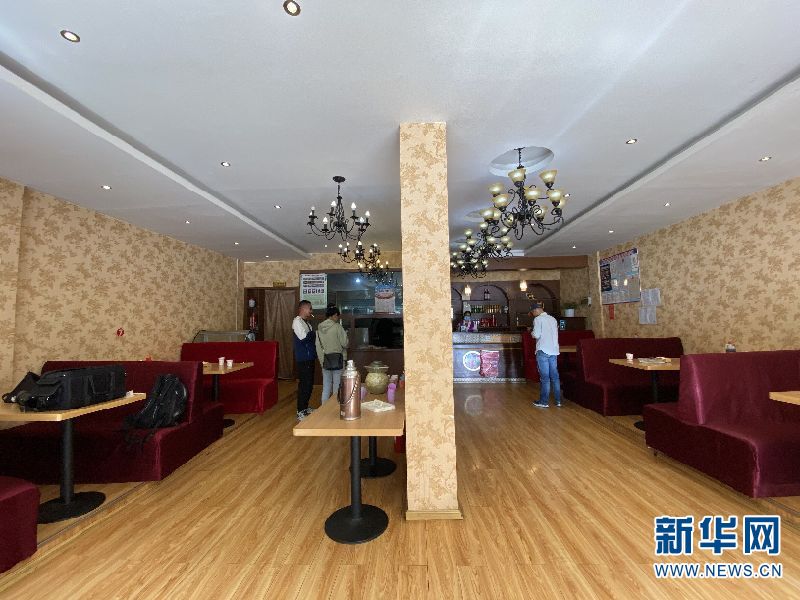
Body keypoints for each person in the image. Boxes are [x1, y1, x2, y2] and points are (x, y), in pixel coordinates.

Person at [315, 304, 348, 404]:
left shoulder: (319, 329)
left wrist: (322, 361)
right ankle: (334, 407)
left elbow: (318, 347)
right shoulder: (338, 327)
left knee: (326, 385)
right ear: (334, 315)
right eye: (337, 316)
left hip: (325, 361)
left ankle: (324, 407)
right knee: (337, 385)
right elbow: (345, 343)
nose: (338, 318)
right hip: (338, 360)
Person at [530, 302, 561, 408]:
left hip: (543, 350)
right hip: (554, 350)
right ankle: (558, 401)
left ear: (536, 310)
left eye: (533, 312)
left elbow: (536, 334)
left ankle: (544, 402)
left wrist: (531, 332)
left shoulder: (538, 319)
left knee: (545, 378)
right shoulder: (553, 319)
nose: (533, 314)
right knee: (555, 377)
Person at [292, 300, 316, 420]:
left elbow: (311, 338)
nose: (311, 311)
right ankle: (300, 411)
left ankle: (305, 408)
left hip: (310, 357)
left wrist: (312, 335)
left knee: (309, 384)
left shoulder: (307, 323)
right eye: (309, 308)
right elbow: (304, 338)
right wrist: (312, 334)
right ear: (303, 309)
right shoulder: (297, 321)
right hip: (303, 358)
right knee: (304, 385)